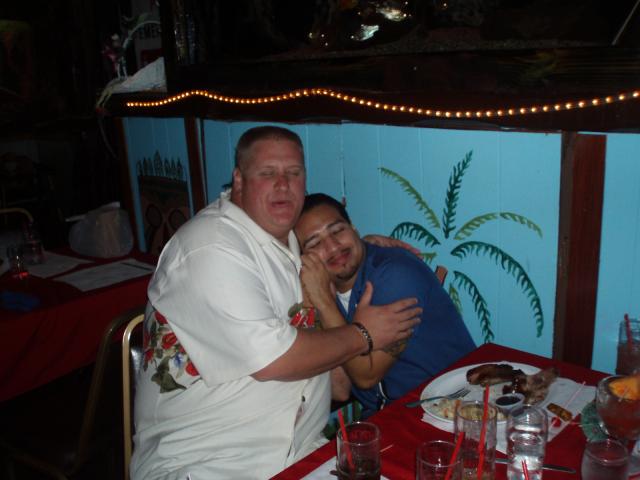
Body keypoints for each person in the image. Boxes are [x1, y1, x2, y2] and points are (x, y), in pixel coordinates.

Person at [130, 126, 422, 479]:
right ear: (239, 180)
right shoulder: (209, 248)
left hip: (299, 452)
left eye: (293, 173)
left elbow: (339, 385)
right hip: (208, 462)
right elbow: (275, 360)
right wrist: (364, 333)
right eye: (268, 173)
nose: (283, 185)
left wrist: (367, 248)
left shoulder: (293, 244)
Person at [294, 193, 476, 416]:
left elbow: (366, 376)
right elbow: (340, 389)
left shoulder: (397, 275)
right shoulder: (328, 290)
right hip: (392, 415)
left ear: (353, 229)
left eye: (338, 230)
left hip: (455, 409)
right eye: (315, 243)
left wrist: (324, 302)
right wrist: (317, 304)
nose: (332, 247)